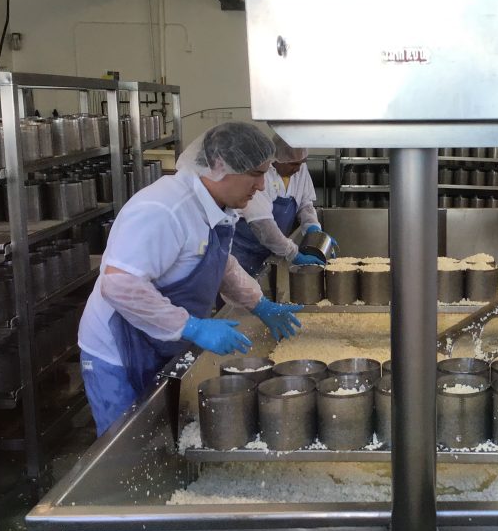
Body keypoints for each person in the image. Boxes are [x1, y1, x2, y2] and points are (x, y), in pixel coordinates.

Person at [78, 122, 303, 435]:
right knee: (129, 449)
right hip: (119, 351)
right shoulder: (165, 210)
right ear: (221, 166)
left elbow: (219, 263)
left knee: (164, 435)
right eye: (255, 174)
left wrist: (259, 304)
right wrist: (190, 326)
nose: (262, 186)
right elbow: (119, 285)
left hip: (158, 341)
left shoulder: (217, 205)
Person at [230, 135, 337, 276]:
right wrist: (293, 254)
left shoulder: (300, 169)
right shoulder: (261, 176)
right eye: (294, 164)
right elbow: (263, 225)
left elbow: (305, 204)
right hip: (244, 252)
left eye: (301, 163)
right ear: (277, 159)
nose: (298, 169)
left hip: (272, 249)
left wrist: (313, 229)